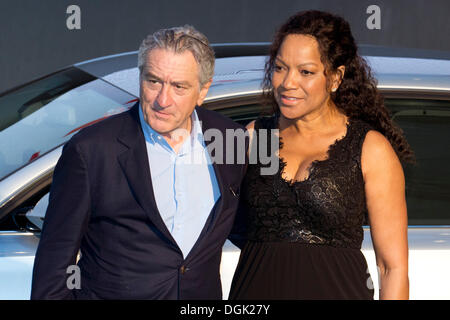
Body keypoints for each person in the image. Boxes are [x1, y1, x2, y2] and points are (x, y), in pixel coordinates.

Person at [31, 25, 247, 300]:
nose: (162, 100)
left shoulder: (230, 140)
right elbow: (53, 268)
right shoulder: (91, 150)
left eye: (179, 86)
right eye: (153, 81)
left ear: (203, 90)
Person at [229, 10, 412, 300]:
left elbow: (392, 268)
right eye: (279, 68)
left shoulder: (368, 148)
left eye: (306, 72)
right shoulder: (257, 136)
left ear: (336, 77)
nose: (288, 82)